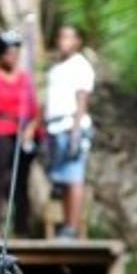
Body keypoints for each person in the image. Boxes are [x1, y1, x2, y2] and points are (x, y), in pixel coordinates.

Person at [0, 30, 40, 237]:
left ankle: (22, 229)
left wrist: (31, 129)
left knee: (21, 183)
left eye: (14, 52)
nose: (11, 57)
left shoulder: (25, 79)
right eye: (7, 52)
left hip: (22, 134)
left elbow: (34, 109)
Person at [45, 24, 96, 239]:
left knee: (74, 176)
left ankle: (71, 227)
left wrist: (76, 131)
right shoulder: (57, 69)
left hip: (71, 126)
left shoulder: (80, 66)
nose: (63, 41)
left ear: (77, 42)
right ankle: (65, 225)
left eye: (69, 37)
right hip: (55, 127)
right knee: (63, 179)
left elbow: (82, 97)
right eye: (61, 37)